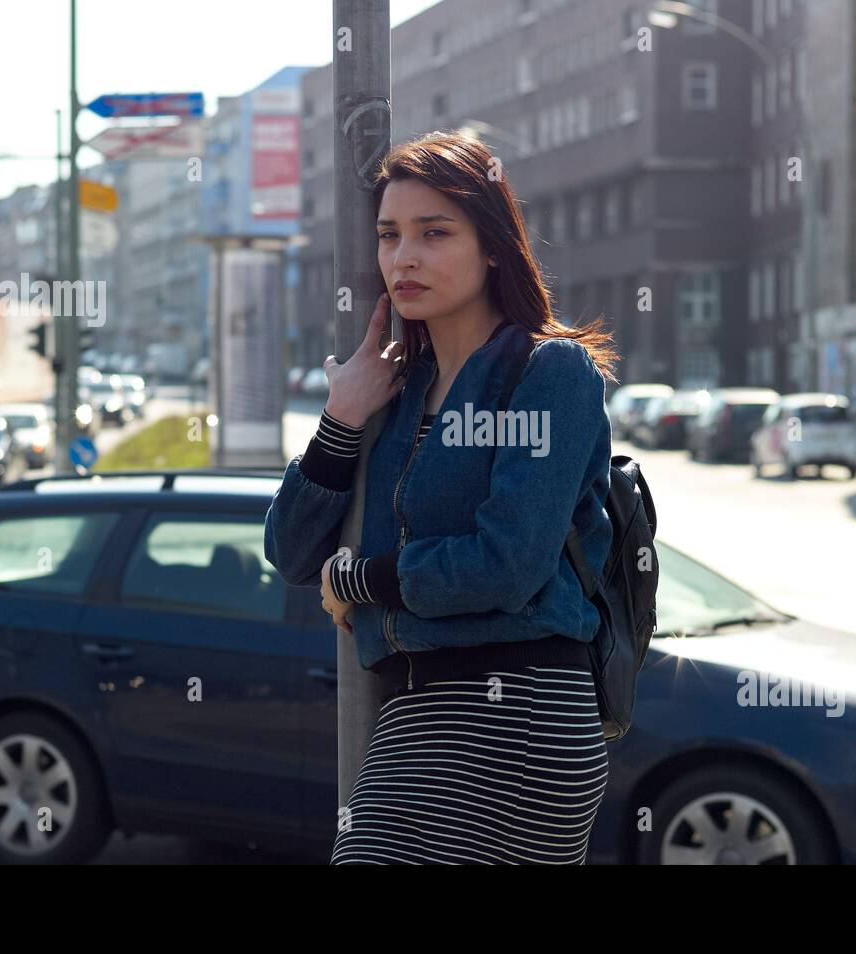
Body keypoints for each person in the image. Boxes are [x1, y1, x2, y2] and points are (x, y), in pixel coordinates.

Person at [263, 130, 618, 864]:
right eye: (390, 237)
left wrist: (363, 581)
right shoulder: (396, 394)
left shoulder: (550, 373)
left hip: (520, 711)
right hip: (414, 710)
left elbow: (508, 563)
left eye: (435, 233)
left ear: (492, 246)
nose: (405, 258)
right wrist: (341, 420)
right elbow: (291, 553)